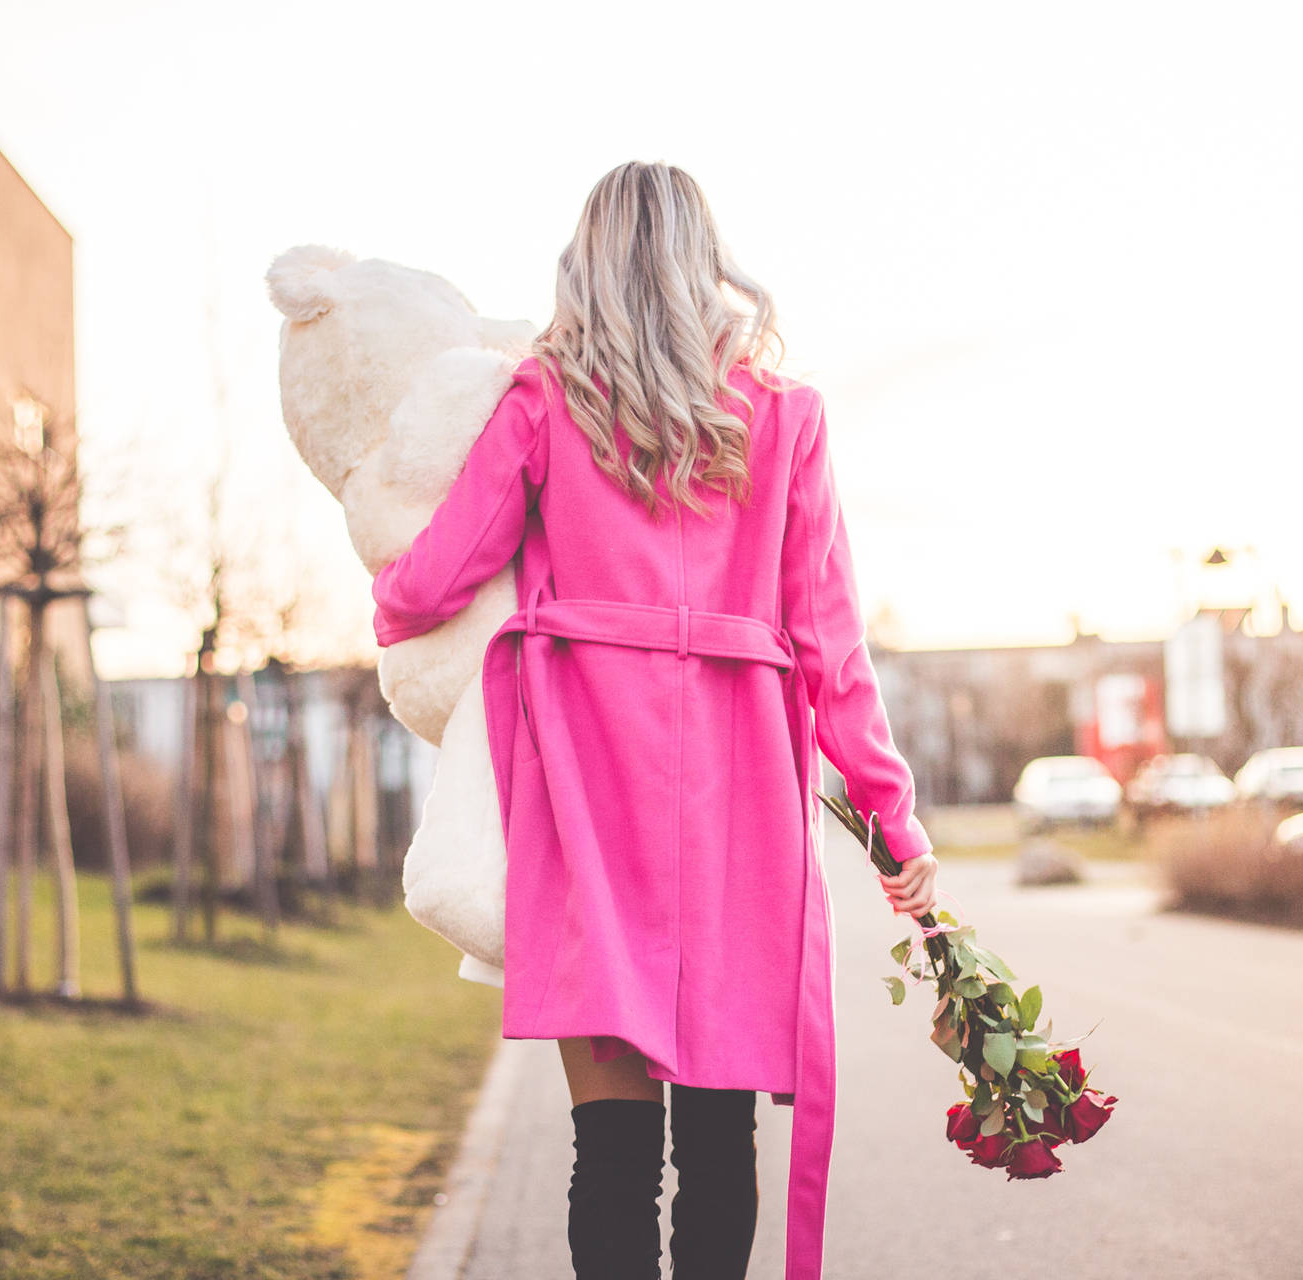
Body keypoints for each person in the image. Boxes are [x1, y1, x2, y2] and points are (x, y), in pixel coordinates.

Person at [370, 160, 936, 1280]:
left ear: (585, 264)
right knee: (723, 1144)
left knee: (612, 1150)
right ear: (704, 265)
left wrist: (396, 603)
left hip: (590, 804)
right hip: (742, 819)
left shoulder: (542, 402)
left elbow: (432, 579)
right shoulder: (785, 419)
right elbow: (832, 648)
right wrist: (894, 824)